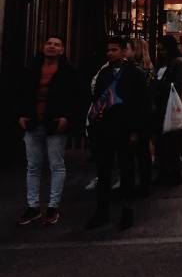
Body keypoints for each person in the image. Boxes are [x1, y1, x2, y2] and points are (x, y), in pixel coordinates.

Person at [86, 37, 150, 231]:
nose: (110, 53)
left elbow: (141, 105)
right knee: (103, 171)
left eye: (114, 49)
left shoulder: (135, 74)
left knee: (126, 170)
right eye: (108, 50)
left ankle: (126, 211)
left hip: (125, 129)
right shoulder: (104, 73)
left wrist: (136, 131)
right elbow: (97, 100)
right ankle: (102, 211)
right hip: (105, 130)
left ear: (123, 51)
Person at [16, 35, 80, 226]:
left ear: (62, 50)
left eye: (57, 44)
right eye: (49, 43)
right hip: (34, 122)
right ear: (43, 47)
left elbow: (75, 97)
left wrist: (66, 118)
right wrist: (21, 114)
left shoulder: (68, 72)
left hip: (54, 123)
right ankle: (33, 206)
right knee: (33, 165)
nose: (52, 46)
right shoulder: (32, 70)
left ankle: (53, 206)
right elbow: (21, 92)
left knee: (56, 165)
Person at [152, 35, 182, 186]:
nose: (160, 52)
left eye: (163, 49)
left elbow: (177, 86)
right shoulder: (163, 63)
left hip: (170, 106)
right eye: (158, 49)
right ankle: (164, 173)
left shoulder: (178, 63)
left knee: (171, 143)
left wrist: (158, 84)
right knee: (161, 142)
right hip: (160, 106)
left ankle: (173, 174)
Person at [129, 37, 155, 197]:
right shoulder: (149, 67)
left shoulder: (136, 69)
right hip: (147, 112)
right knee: (144, 149)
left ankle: (137, 184)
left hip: (138, 111)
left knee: (136, 150)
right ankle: (145, 183)